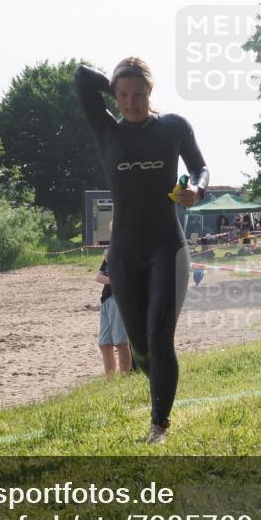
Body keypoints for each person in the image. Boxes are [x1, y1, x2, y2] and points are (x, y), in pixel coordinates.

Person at [75, 58, 209, 444]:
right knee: (139, 344)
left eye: (139, 94)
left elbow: (200, 168)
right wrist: (116, 82)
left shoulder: (173, 127)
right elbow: (82, 76)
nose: (131, 103)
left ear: (151, 92)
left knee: (159, 336)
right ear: (115, 96)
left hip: (168, 247)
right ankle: (159, 382)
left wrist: (196, 190)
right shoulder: (107, 130)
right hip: (124, 252)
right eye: (123, 95)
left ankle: (159, 425)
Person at [95, 251, 131, 379]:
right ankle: (110, 379)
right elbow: (98, 277)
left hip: (119, 299)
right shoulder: (111, 252)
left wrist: (112, 262)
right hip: (106, 300)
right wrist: (112, 280)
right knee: (104, 344)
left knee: (121, 342)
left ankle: (125, 378)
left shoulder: (126, 252)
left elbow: (125, 277)